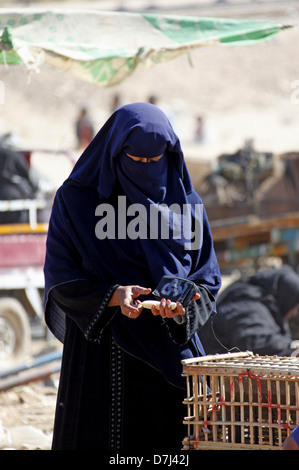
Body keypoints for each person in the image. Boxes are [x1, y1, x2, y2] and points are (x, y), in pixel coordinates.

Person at [44, 102, 221, 451]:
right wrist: (113, 295)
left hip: (169, 358)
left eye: (154, 161)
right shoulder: (77, 202)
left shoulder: (187, 205)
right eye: (135, 161)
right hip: (101, 358)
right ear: (114, 153)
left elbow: (208, 280)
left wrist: (182, 304)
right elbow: (60, 276)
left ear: (169, 155)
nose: (145, 169)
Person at [199, 266, 299, 357]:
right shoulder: (247, 306)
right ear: (286, 299)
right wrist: (292, 349)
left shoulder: (263, 305)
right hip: (211, 374)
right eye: (294, 307)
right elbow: (258, 344)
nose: (294, 313)